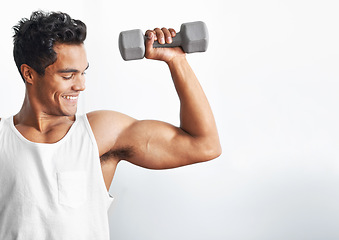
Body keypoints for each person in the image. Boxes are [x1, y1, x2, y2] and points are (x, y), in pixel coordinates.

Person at [0, 10, 221, 239]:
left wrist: (177, 61)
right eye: (68, 76)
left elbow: (204, 144)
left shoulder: (100, 134)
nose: (81, 86)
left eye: (83, 73)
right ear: (29, 74)